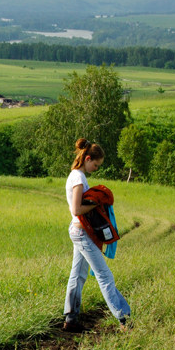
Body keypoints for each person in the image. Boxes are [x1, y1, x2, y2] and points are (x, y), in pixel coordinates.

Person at [63, 138, 131, 332]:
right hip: (81, 232)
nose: (96, 168)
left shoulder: (76, 176)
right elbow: (76, 208)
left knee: (78, 275)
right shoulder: (78, 178)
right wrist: (97, 203)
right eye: (96, 164)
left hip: (79, 230)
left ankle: (71, 319)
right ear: (88, 158)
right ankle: (124, 318)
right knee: (105, 276)